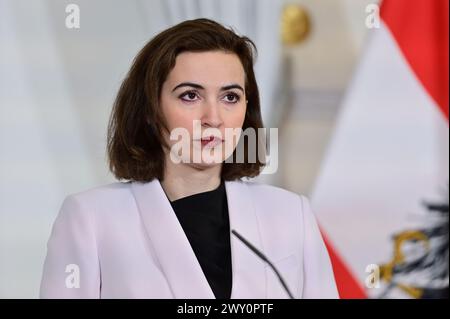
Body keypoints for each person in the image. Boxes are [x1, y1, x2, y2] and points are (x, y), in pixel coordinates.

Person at [40, 18, 338, 299]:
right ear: (149, 110)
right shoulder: (91, 219)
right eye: (190, 96)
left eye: (230, 97)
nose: (213, 118)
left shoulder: (291, 215)